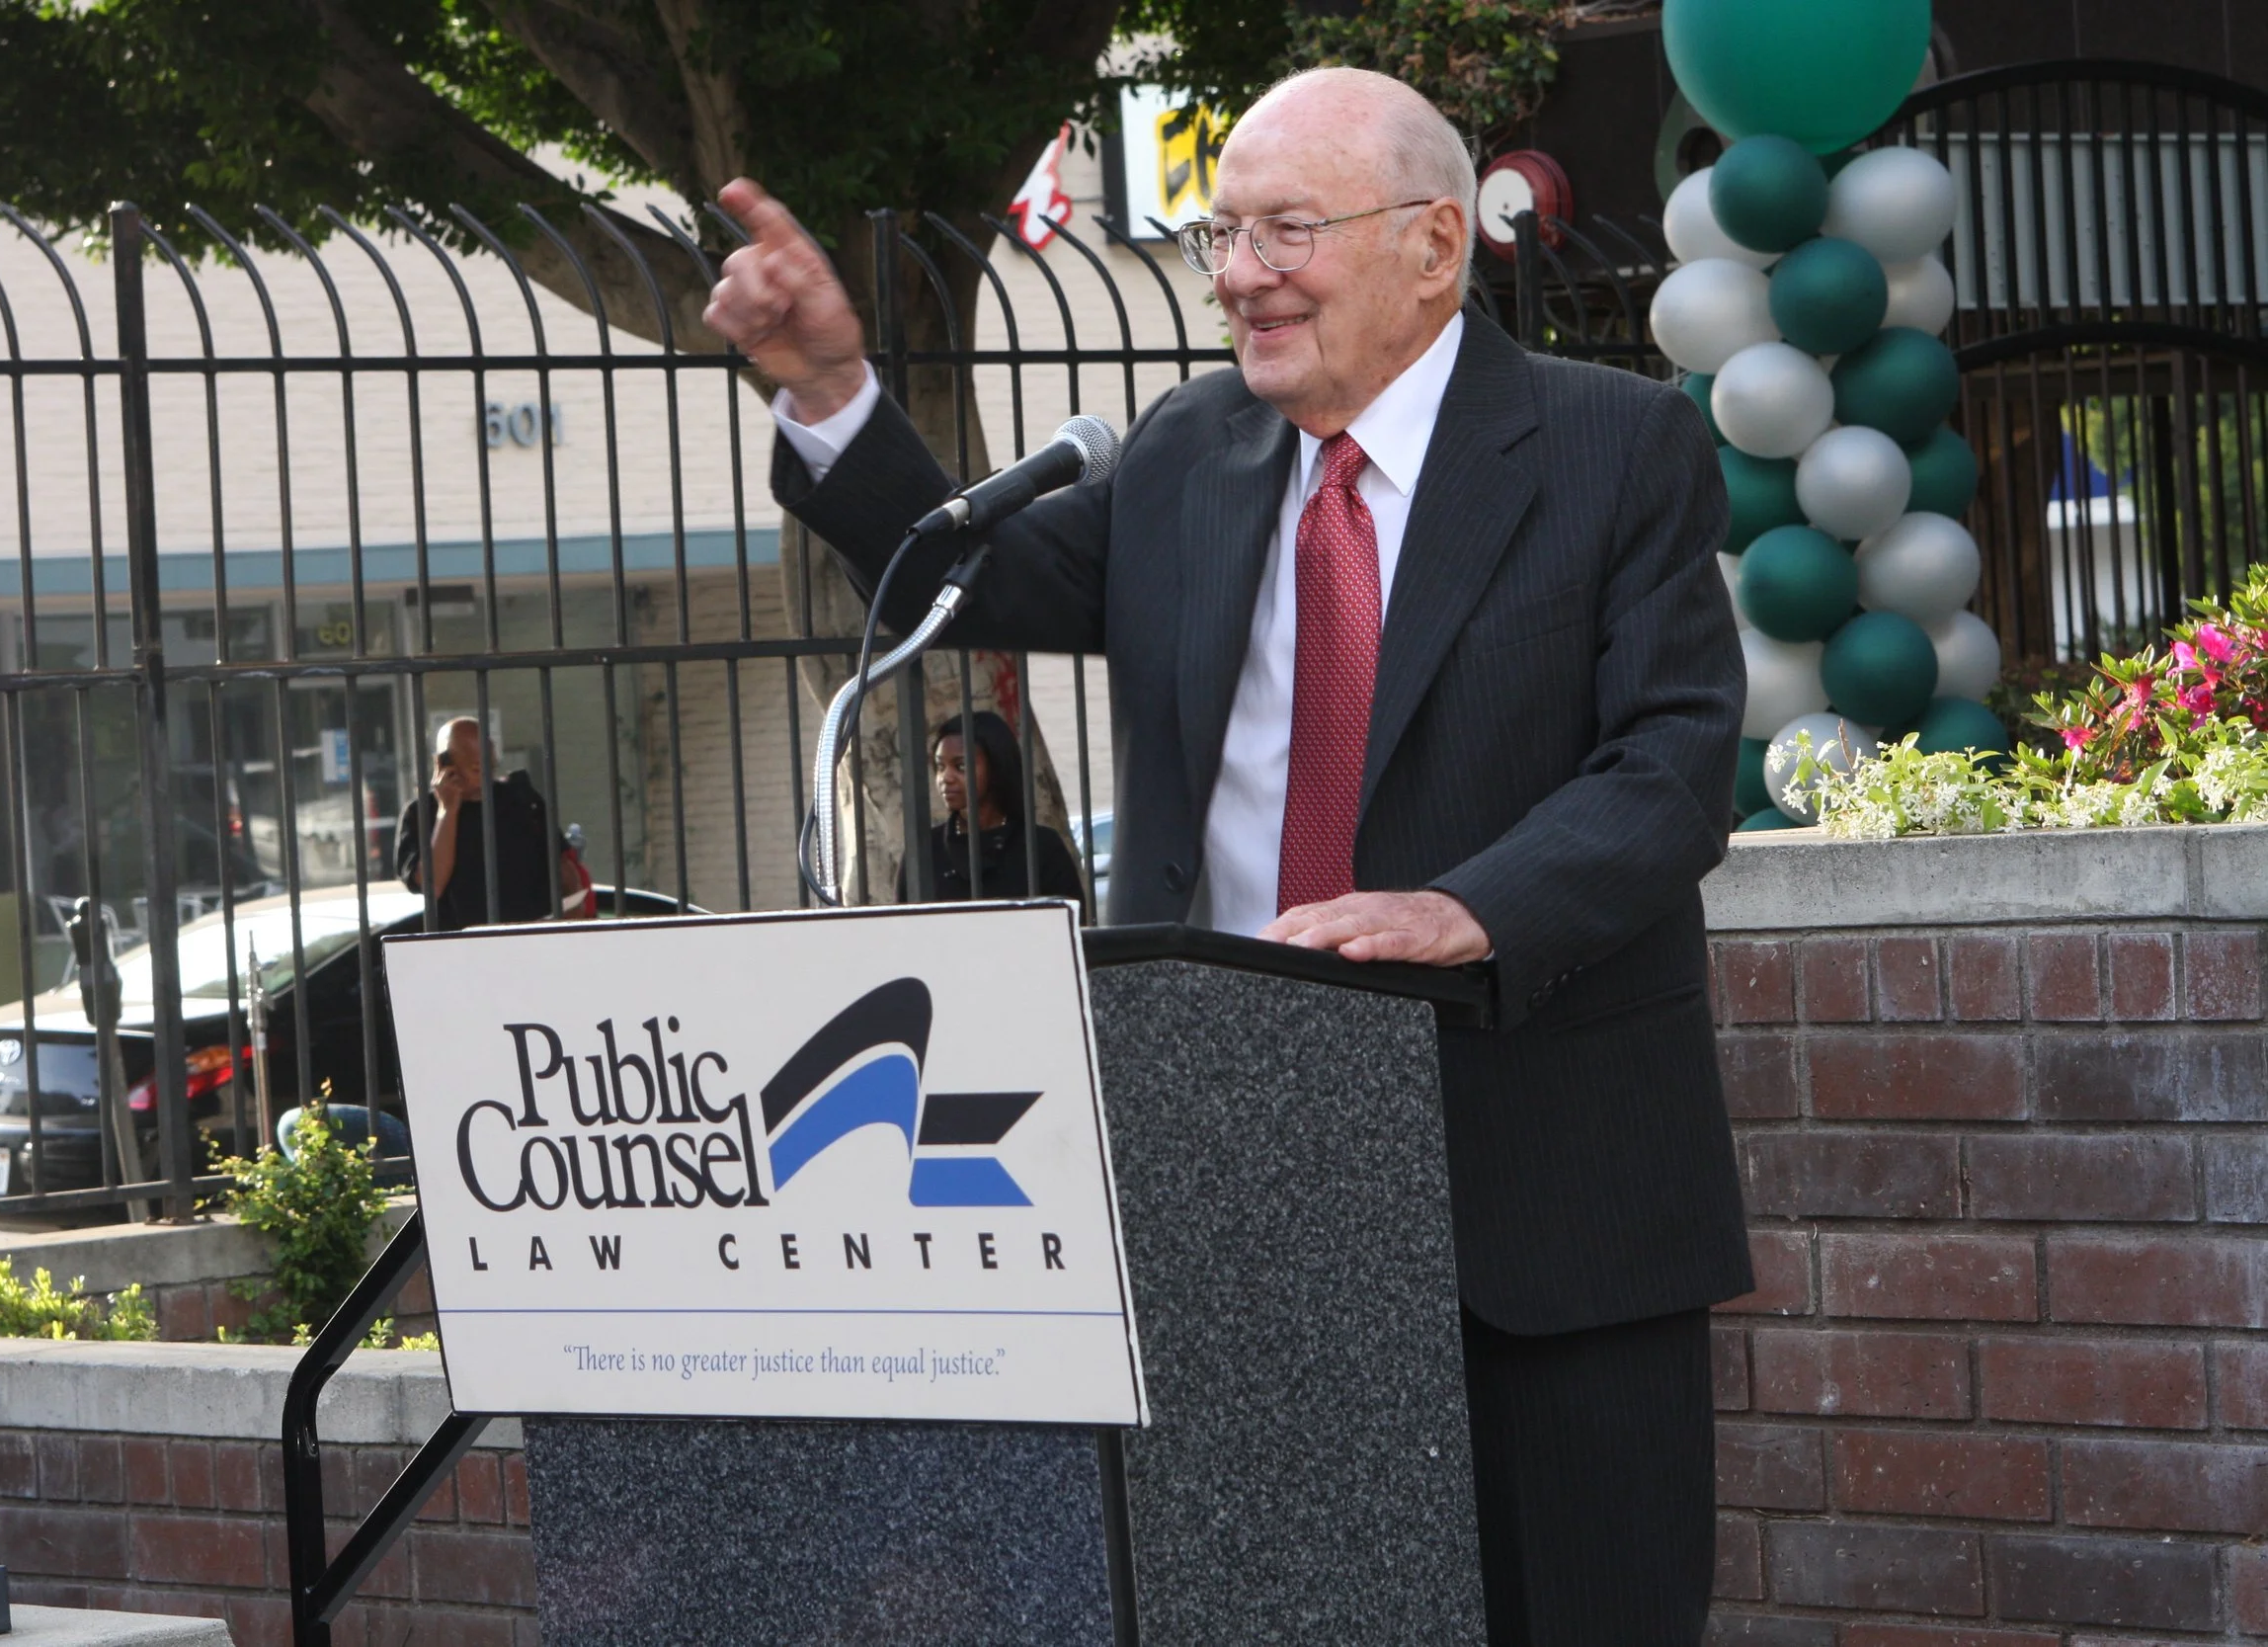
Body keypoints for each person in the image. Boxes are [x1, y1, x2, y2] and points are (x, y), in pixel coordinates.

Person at [705, 66, 1751, 1645]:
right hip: (1237, 1180)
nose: (1243, 272)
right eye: (1223, 234)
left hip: (1546, 1190)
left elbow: (1673, 767)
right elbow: (959, 575)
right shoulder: (1192, 456)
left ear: (1434, 243)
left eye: (1287, 229)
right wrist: (833, 386)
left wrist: (1468, 906)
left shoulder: (1617, 447)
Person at [391, 716, 556, 930]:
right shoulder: (421, 813)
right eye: (477, 768)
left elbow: (560, 863)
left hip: (528, 941)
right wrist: (448, 809)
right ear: (446, 764)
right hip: (461, 949)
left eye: (491, 765)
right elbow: (431, 886)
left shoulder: (520, 799)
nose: (487, 776)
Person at [905, 710, 1087, 903]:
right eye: (940, 767)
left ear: (996, 766)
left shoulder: (1041, 847)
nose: (945, 778)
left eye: (961, 766)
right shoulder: (923, 852)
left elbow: (1068, 924)